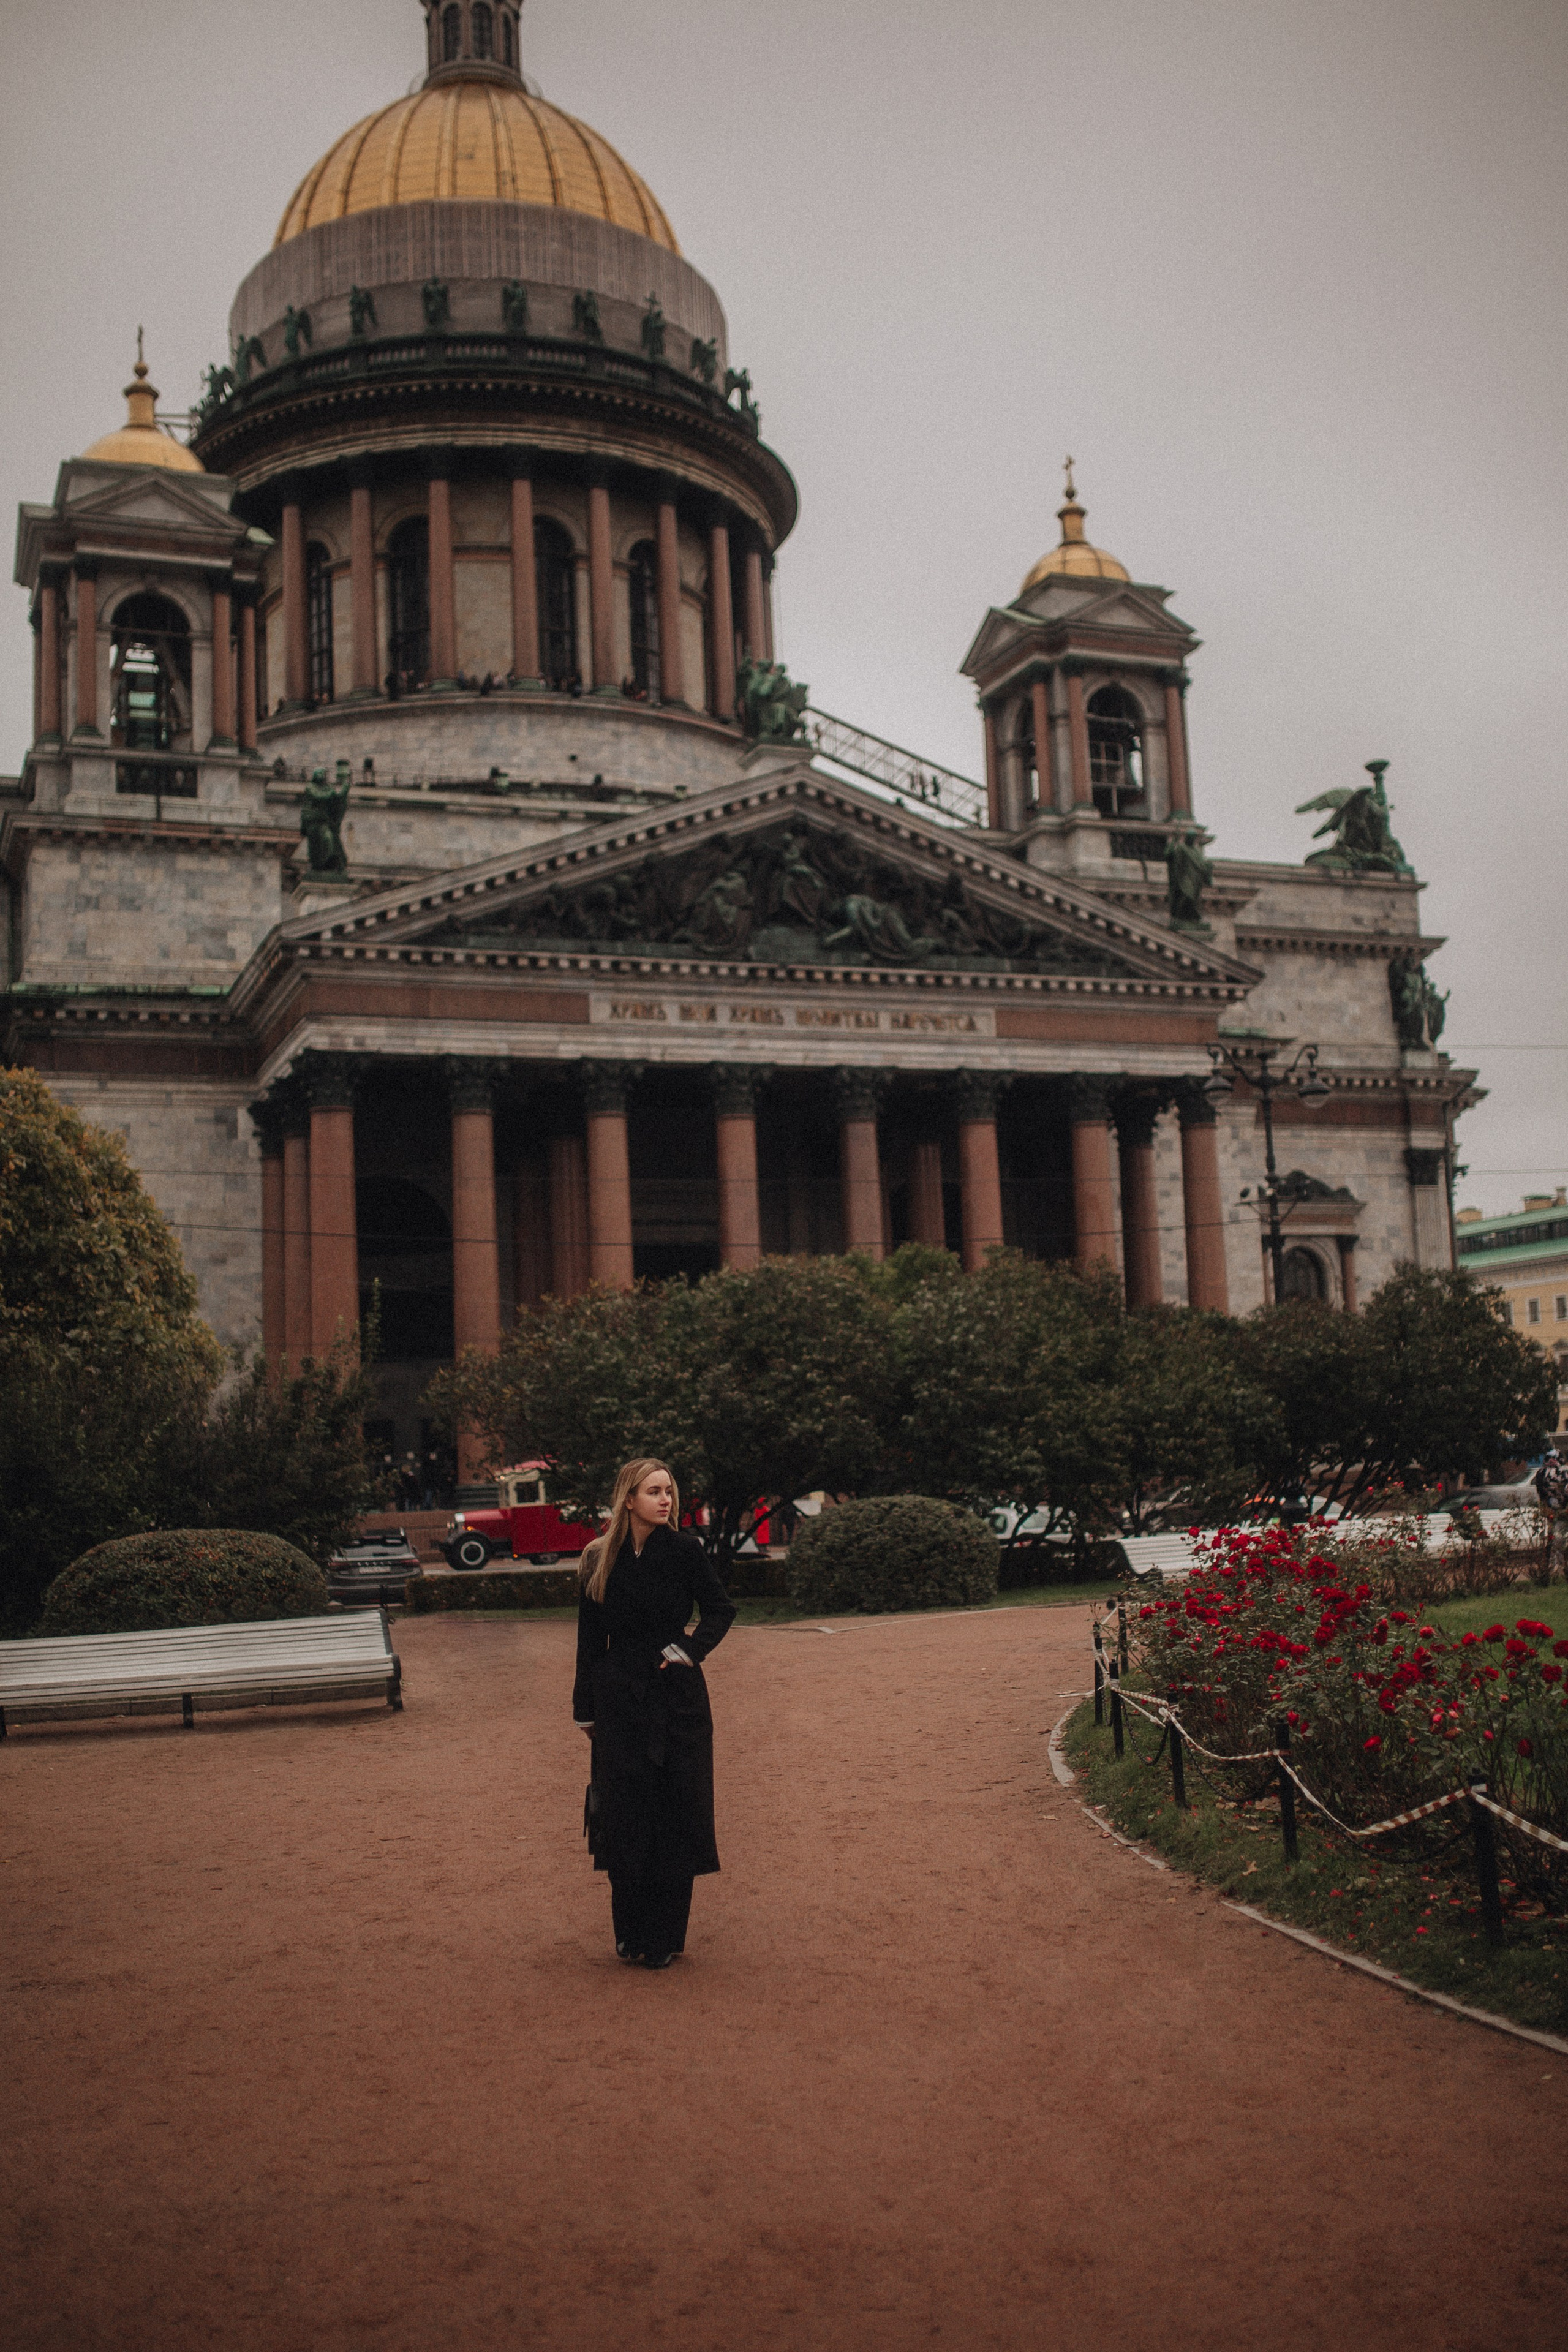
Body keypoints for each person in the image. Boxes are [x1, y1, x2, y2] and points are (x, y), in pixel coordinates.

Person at [572, 1458, 736, 1969]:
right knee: (625, 1814)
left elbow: (720, 1609)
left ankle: (664, 1937)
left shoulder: (686, 1550)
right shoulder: (599, 1557)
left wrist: (690, 1650)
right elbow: (588, 1639)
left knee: (673, 1812)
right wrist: (584, 1709)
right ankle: (630, 1932)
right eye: (653, 1491)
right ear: (629, 1499)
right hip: (619, 1699)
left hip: (677, 1699)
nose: (665, 1500)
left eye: (668, 1491)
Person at [1533, 1447, 1568, 1580]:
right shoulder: (1548, 1473)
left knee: (1556, 1539)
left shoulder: (1544, 1472)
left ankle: (1556, 1565)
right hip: (1556, 1511)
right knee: (1557, 1539)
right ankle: (1556, 1566)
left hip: (1555, 1511)